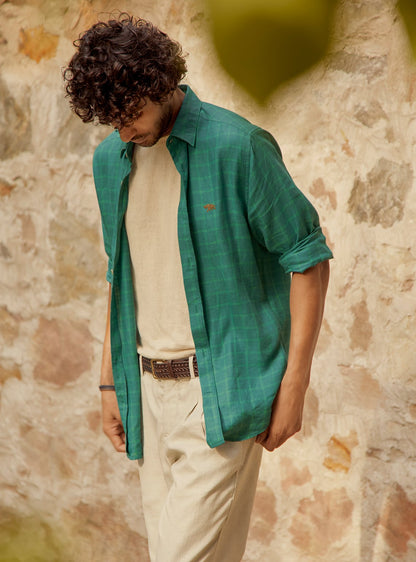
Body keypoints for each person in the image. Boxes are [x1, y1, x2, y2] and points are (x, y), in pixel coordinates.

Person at [64, 13, 333, 562]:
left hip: (220, 394)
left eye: (130, 115)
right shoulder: (110, 160)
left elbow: (307, 258)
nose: (124, 132)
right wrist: (109, 381)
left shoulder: (238, 147)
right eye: (111, 121)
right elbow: (121, 272)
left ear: (160, 83)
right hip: (145, 392)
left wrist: (295, 385)